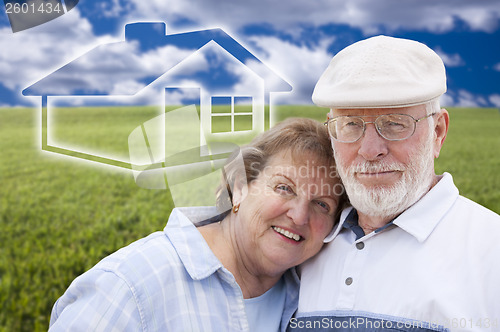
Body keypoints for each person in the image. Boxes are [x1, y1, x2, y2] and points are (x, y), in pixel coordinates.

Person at [48, 118, 346, 332]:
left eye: (322, 204)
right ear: (239, 186)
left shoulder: (307, 296)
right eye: (284, 188)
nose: (299, 215)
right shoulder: (129, 286)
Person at [290, 36, 500, 331]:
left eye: (395, 123)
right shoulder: (301, 243)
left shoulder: (492, 250)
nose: (370, 149)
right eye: (350, 124)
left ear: (438, 131)